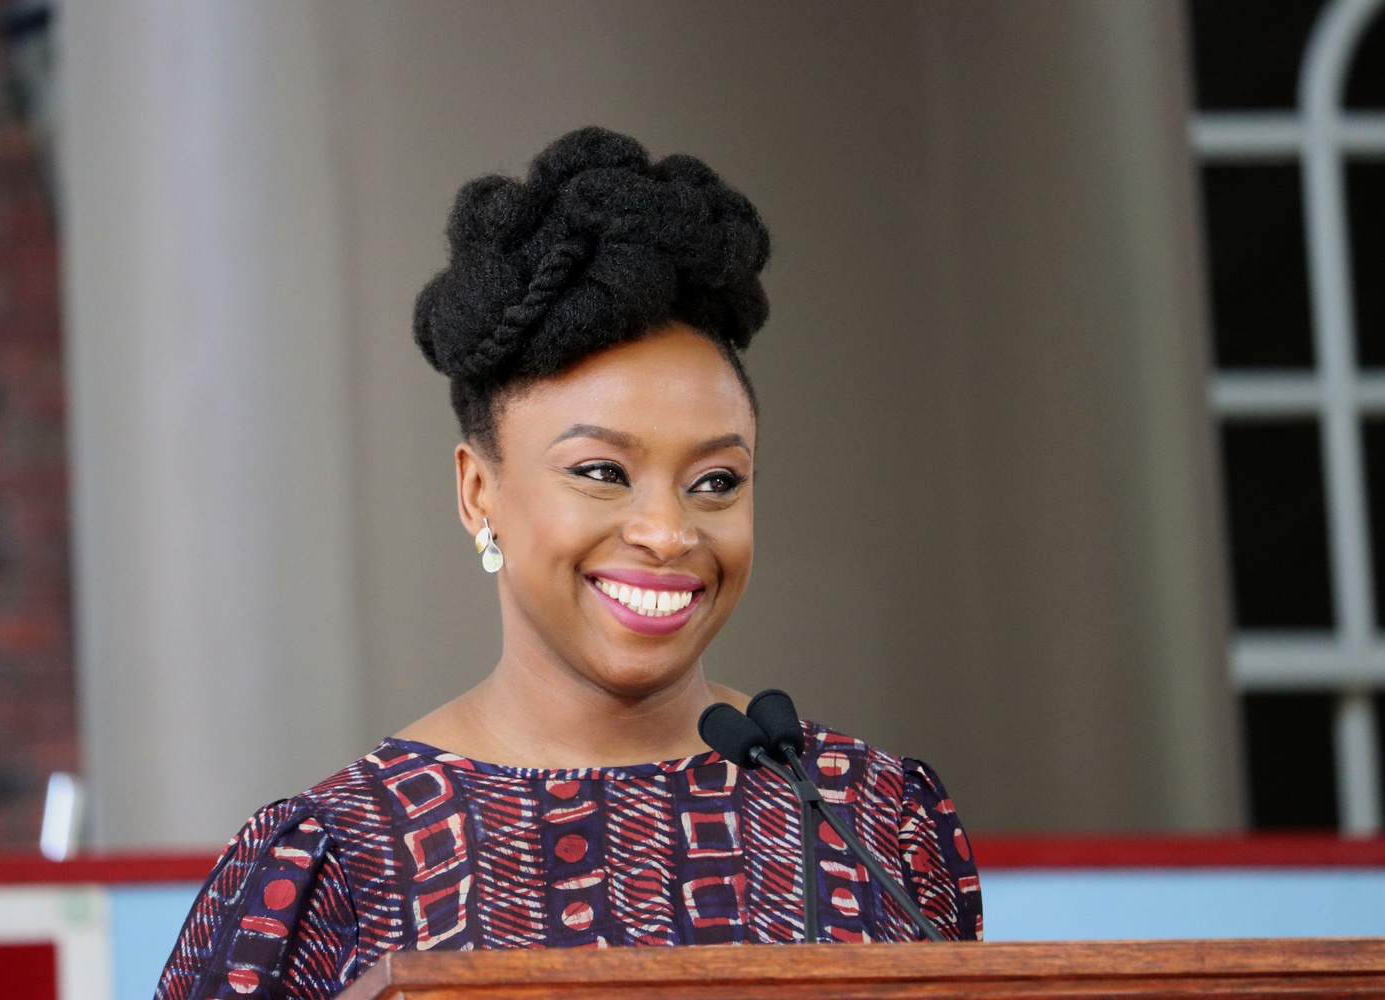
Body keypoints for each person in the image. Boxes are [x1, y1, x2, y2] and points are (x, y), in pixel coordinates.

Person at [155, 127, 981, 1000]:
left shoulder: (867, 817)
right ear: (479, 492)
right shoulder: (346, 861)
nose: (667, 532)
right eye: (601, 472)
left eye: (715, 481)